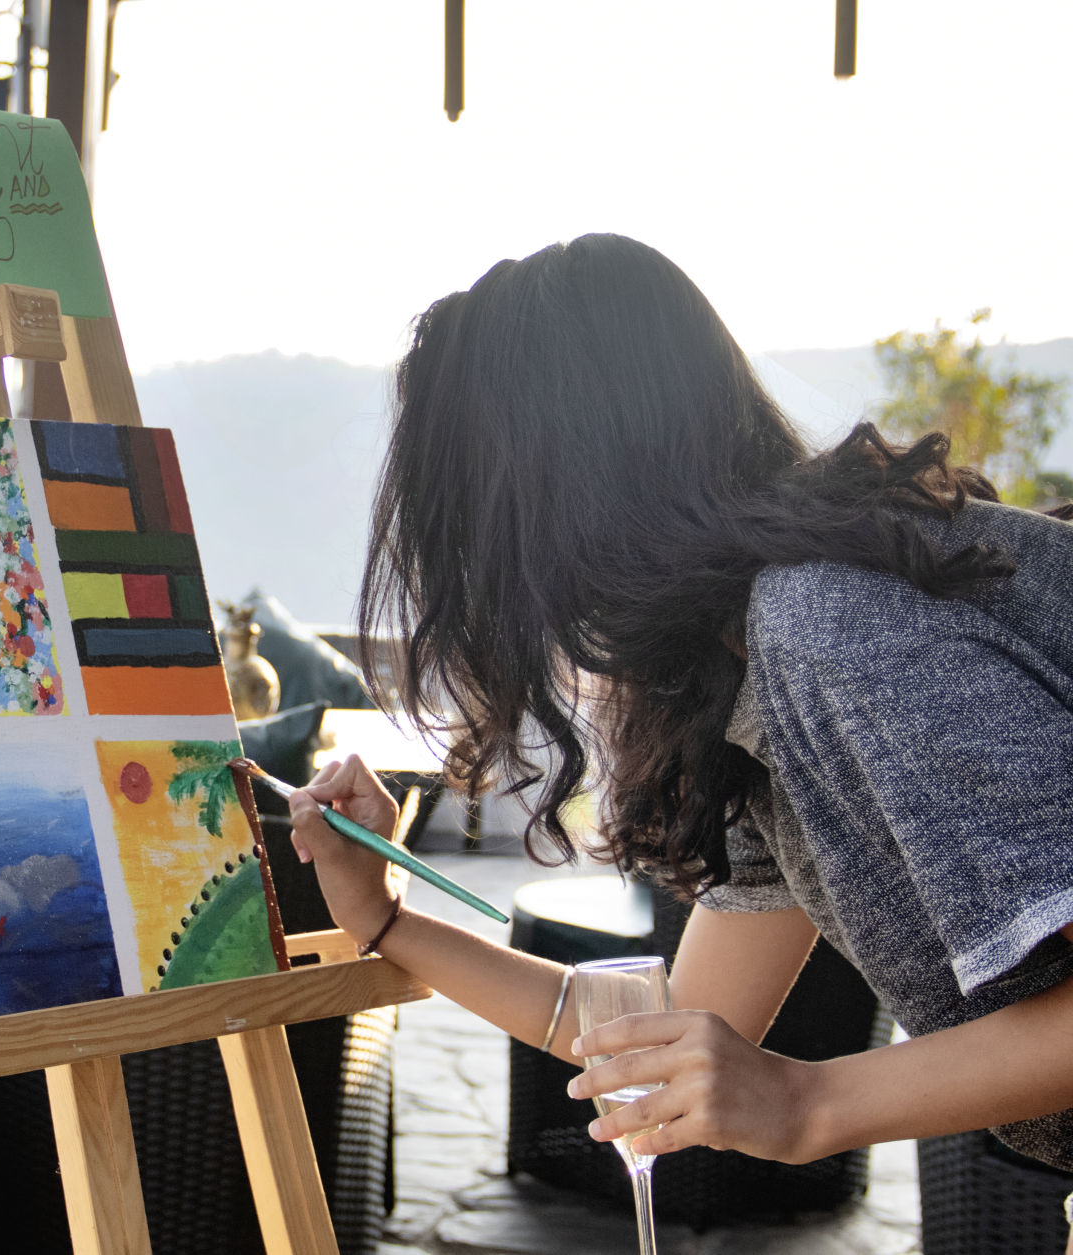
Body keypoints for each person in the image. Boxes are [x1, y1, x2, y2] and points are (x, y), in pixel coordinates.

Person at [285, 233, 1073, 1237]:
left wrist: (803, 1103)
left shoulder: (830, 622)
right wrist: (387, 921)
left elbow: (760, 1084)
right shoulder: (757, 669)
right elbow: (651, 1033)